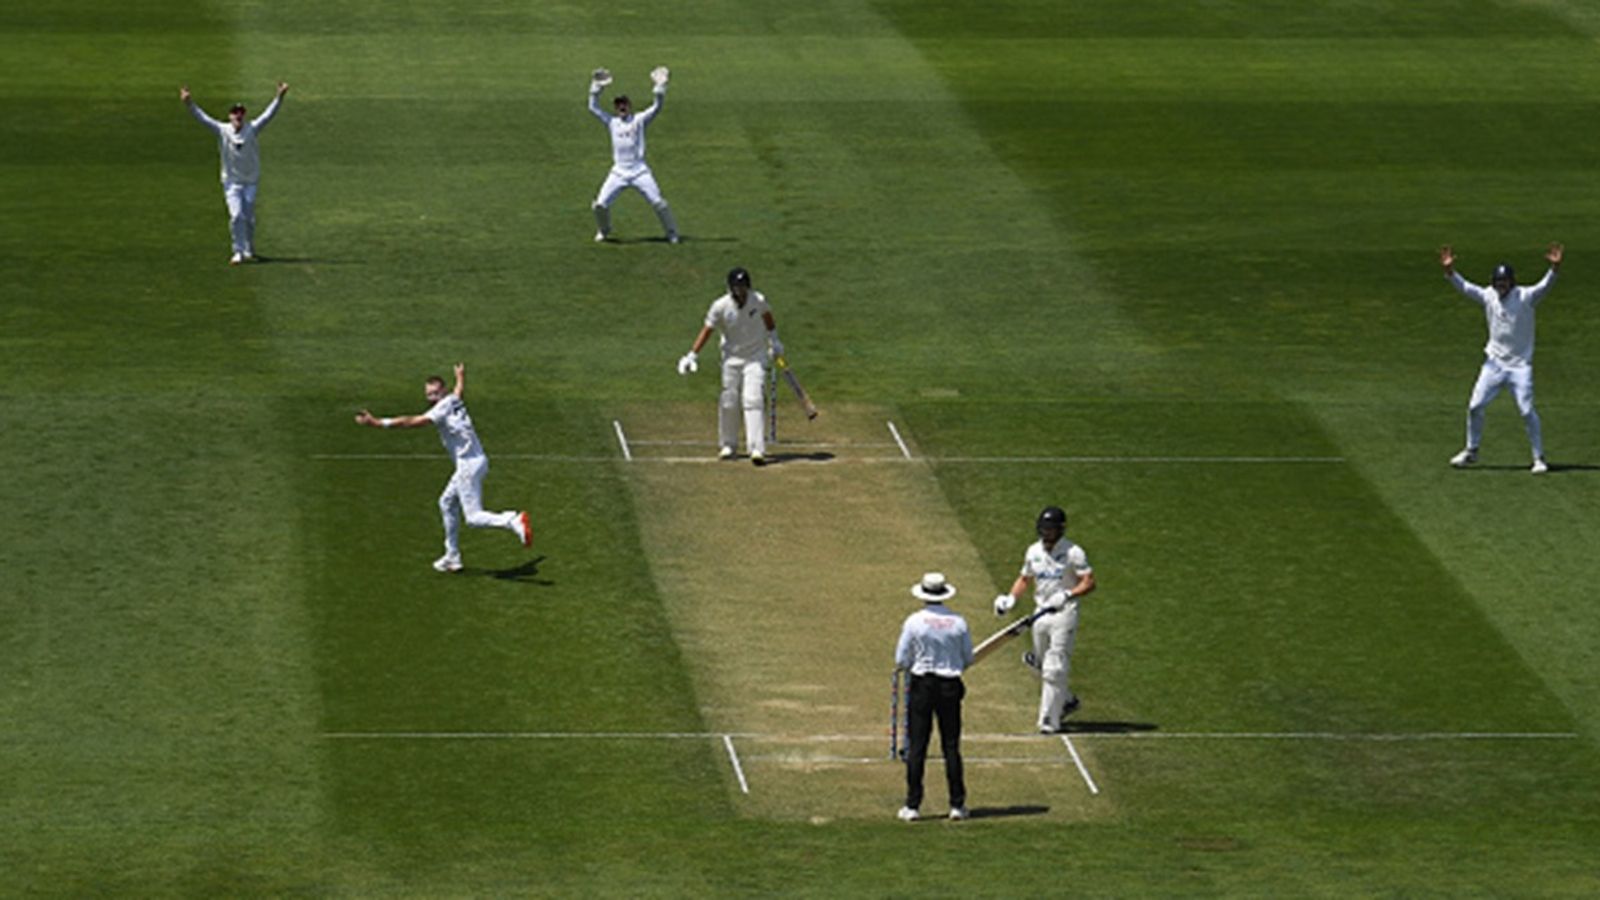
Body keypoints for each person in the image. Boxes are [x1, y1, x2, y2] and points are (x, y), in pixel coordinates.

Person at [354, 363, 532, 572]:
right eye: (429, 394)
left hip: (468, 466)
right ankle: (452, 557)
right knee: (446, 503)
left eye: (435, 393)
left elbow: (414, 421)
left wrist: (377, 423)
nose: (432, 398)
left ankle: (512, 520)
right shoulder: (453, 400)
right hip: (476, 461)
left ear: (443, 391)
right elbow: (458, 392)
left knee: (473, 517)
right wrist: (460, 377)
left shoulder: (441, 408)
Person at [1439, 242, 1564, 475]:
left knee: (1526, 411)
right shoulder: (1489, 296)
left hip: (1520, 367)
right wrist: (1449, 271)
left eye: (1504, 282)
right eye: (1498, 282)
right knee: (1475, 406)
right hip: (1494, 364)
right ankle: (1471, 450)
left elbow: (1545, 286)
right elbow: (1466, 288)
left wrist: (1554, 268)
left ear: (1512, 282)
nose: (1501, 286)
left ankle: (1539, 457)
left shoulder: (1525, 296)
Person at [993, 506, 1097, 734]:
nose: (1046, 533)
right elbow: (1024, 579)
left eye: (1051, 529)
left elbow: (1089, 582)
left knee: (1054, 669)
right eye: (1043, 529)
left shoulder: (1073, 552)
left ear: (1060, 529)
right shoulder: (1033, 551)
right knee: (1042, 665)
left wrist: (1068, 594)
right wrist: (1011, 598)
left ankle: (1049, 721)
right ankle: (1066, 700)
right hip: (1040, 613)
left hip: (1064, 613)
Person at [676, 267, 785, 465]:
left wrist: (774, 341)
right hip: (731, 359)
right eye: (737, 288)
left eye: (743, 288)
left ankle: (756, 448)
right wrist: (692, 355)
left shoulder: (758, 300)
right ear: (730, 288)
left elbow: (768, 318)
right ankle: (728, 444)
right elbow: (708, 330)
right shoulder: (720, 306)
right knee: (729, 400)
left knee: (753, 399)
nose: (740, 292)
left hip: (755, 357)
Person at [894, 572, 974, 822]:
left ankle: (912, 806)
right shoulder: (958, 622)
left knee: (918, 746)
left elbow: (901, 658)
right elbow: (968, 658)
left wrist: (913, 665)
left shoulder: (914, 621)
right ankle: (957, 805)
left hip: (923, 685)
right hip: (950, 686)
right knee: (951, 746)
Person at [181, 81, 289, 265]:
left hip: (251, 181)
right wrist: (189, 103)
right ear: (230, 116)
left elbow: (268, 115)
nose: (238, 116)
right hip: (231, 182)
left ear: (244, 115)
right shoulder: (222, 130)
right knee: (236, 216)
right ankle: (238, 251)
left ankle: (249, 248)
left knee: (249, 218)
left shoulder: (252, 128)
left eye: (241, 113)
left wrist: (279, 97)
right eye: (235, 113)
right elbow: (203, 118)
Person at [587, 66, 679, 244]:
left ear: (629, 106)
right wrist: (596, 88)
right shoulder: (612, 122)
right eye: (618, 105)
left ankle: (672, 233)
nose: (621, 107)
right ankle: (604, 230)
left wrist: (660, 88)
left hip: (639, 171)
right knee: (599, 205)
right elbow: (593, 107)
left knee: (659, 203)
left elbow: (657, 107)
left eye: (624, 105)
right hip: (618, 172)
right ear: (615, 108)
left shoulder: (639, 120)